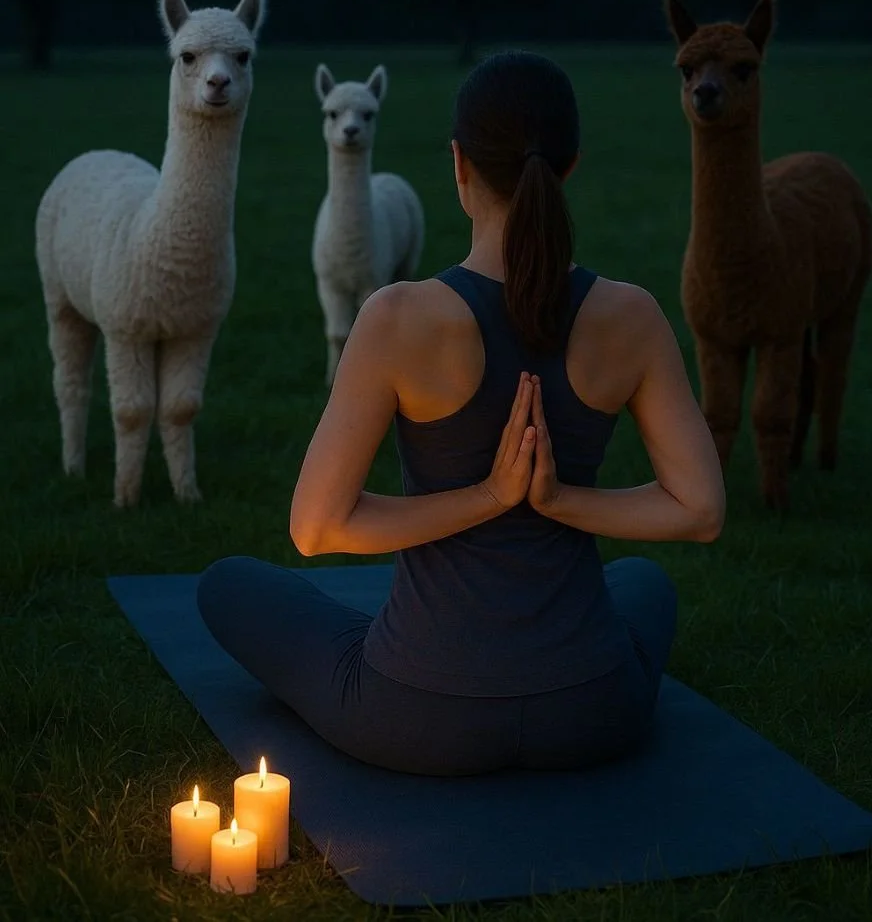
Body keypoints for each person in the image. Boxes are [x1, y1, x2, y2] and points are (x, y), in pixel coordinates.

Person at [198, 50, 725, 776]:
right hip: (594, 711)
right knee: (644, 583)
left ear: (459, 166)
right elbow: (699, 510)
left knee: (228, 584)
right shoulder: (630, 316)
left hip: (417, 713)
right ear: (569, 168)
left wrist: (486, 498)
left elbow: (317, 528)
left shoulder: (397, 318)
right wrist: (559, 500)